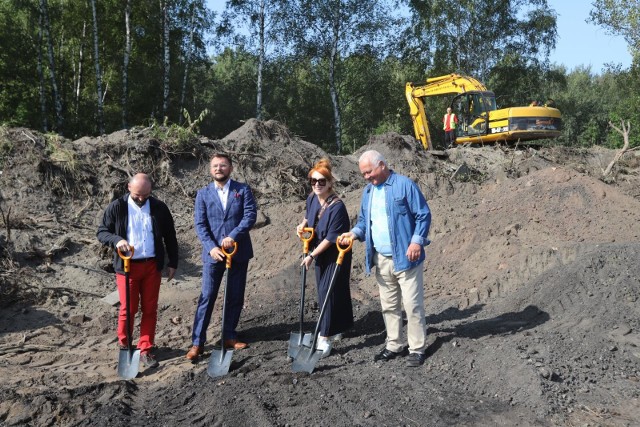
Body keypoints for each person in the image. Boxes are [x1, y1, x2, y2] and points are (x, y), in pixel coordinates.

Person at [339, 150, 431, 367]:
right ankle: (394, 344)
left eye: (369, 172)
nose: (366, 177)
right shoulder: (368, 192)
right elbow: (364, 222)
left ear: (381, 165)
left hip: (406, 257)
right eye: (363, 174)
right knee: (389, 305)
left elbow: (423, 214)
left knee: (412, 305)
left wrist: (416, 241)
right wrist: (353, 233)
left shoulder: (404, 185)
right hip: (380, 258)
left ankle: (416, 348)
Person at [97, 173, 179, 369]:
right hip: (127, 266)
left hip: (152, 265)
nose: (141, 199)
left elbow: (170, 236)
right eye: (137, 195)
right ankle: (125, 345)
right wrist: (117, 240)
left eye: (145, 195)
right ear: (128, 188)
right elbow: (102, 232)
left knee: (150, 308)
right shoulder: (117, 207)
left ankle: (145, 349)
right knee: (128, 309)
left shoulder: (159, 207)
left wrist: (173, 262)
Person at [186, 153, 257, 361]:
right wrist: (211, 248)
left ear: (231, 168)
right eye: (215, 166)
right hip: (213, 255)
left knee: (235, 295)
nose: (219, 168)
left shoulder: (242, 190)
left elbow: (249, 215)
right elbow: (200, 224)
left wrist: (233, 236)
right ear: (210, 170)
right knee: (207, 296)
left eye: (223, 165)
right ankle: (197, 342)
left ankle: (229, 335)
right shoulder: (203, 194)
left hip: (238, 251)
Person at [296, 159, 354, 358]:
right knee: (331, 291)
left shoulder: (337, 207)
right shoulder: (313, 197)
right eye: (313, 181)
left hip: (335, 253)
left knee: (327, 292)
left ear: (330, 183)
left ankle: (325, 336)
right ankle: (340, 326)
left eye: (322, 181)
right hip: (319, 252)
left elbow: (331, 238)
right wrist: (301, 225)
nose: (317, 185)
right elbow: (308, 215)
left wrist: (311, 255)